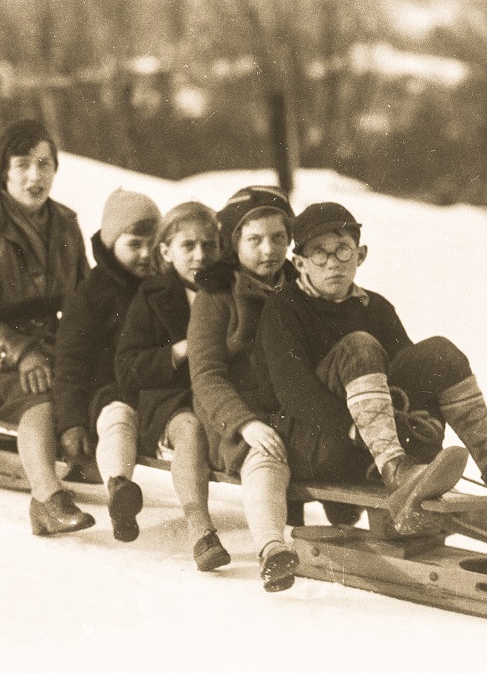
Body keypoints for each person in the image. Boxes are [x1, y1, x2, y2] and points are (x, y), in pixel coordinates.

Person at [256, 201, 487, 560]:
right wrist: (353, 429)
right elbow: (294, 393)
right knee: (360, 346)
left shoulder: (375, 307)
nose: (332, 262)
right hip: (316, 446)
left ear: (361, 255)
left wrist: (420, 427)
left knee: (440, 353)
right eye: (319, 253)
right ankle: (396, 471)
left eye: (342, 250)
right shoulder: (284, 309)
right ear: (299, 263)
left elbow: (411, 380)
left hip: (372, 448)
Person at [0, 119, 94, 536]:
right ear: (4, 171)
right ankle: (47, 499)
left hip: (49, 350)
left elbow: (83, 304)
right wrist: (23, 351)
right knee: (39, 394)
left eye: (45, 164)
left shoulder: (64, 223)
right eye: (23, 164)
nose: (35, 176)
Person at [187, 186, 302, 592]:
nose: (268, 249)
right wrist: (245, 423)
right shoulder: (216, 298)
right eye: (254, 239)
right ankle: (272, 548)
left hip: (291, 407)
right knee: (264, 458)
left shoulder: (300, 289)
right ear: (233, 244)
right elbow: (206, 375)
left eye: (278, 237)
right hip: (235, 415)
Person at [115, 202, 231, 570]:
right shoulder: (151, 297)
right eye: (188, 245)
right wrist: (177, 352)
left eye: (209, 245)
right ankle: (201, 528)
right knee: (190, 430)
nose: (200, 256)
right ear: (166, 251)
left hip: (220, 392)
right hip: (170, 399)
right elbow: (127, 368)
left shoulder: (231, 290)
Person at [53, 188, 161, 542]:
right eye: (134, 244)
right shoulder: (91, 293)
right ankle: (119, 487)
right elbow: (70, 361)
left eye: (153, 244)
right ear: (112, 244)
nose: (145, 254)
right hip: (107, 390)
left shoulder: (164, 287)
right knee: (118, 418)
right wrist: (70, 422)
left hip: (156, 390)